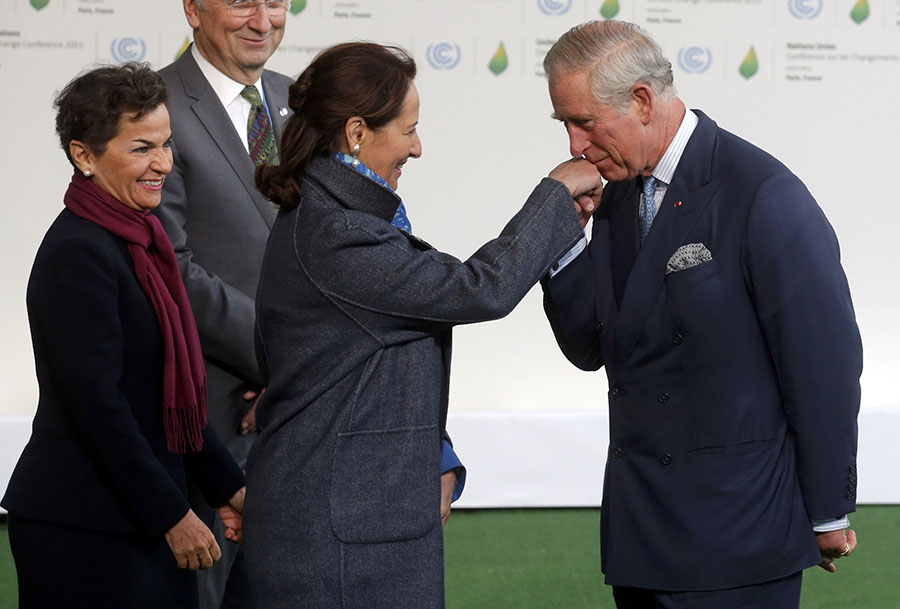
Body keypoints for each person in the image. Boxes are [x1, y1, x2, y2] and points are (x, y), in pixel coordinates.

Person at [243, 41, 602, 609]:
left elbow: (372, 365)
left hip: (346, 524)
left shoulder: (332, 216)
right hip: (336, 543)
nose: (417, 147)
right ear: (357, 131)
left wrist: (436, 452)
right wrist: (554, 196)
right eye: (408, 130)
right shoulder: (338, 233)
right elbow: (477, 289)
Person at [540, 20, 862, 608]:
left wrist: (827, 509)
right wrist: (561, 240)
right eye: (566, 124)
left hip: (738, 541)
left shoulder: (764, 193)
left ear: (641, 100)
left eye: (583, 121)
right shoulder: (613, 198)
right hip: (640, 541)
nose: (574, 145)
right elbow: (591, 347)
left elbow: (823, 368)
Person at [1, 63, 246, 609]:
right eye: (140, 149)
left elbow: (167, 396)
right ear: (83, 155)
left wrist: (230, 487)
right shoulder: (78, 252)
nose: (163, 163)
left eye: (167, 144)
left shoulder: (143, 239)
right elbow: (98, 409)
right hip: (84, 529)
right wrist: (173, 515)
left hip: (141, 515)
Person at [154, 0, 293, 605]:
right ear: (192, 7)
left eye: (278, 2)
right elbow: (170, 270)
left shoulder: (306, 101)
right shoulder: (150, 107)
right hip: (201, 425)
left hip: (294, 428)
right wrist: (286, 357)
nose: (263, 21)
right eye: (242, 2)